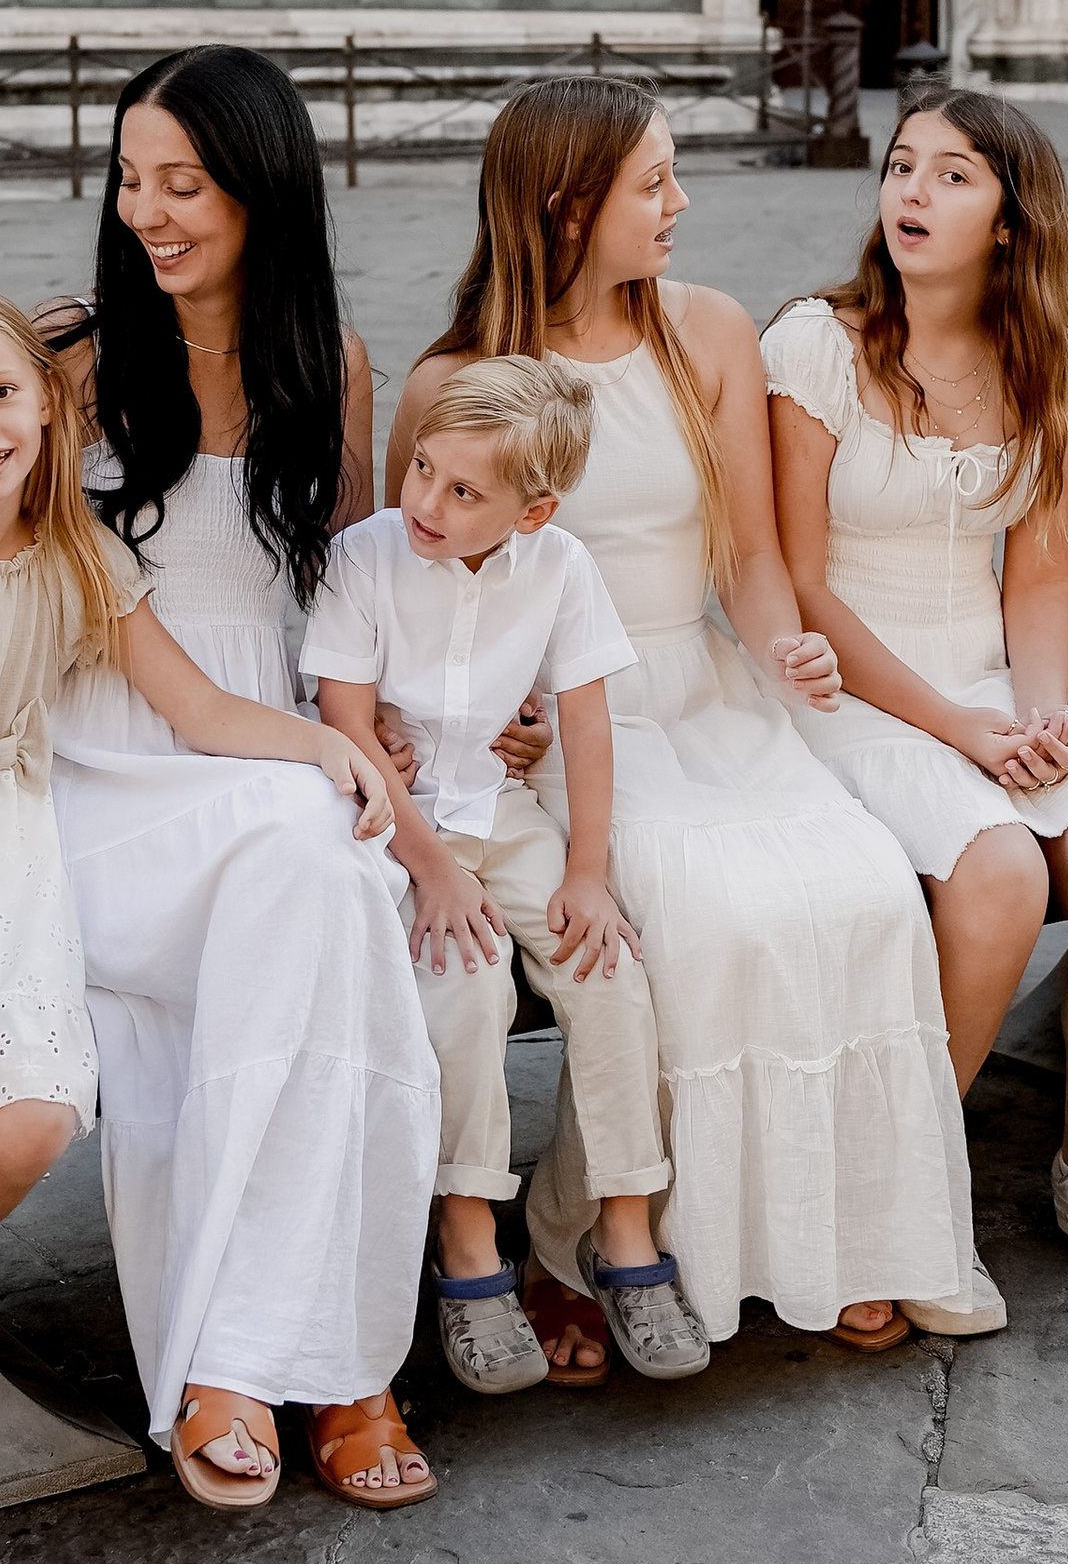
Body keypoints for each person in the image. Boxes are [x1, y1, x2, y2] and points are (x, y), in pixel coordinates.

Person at [0, 286, 397, 1555]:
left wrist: (331, 751)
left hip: (6, 849)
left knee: (33, 1124)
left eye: (3, 396)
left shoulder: (79, 558)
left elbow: (200, 712)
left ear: (49, 412)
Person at [391, 76, 978, 1367]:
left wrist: (784, 647)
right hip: (557, 728)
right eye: (653, 182)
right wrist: (488, 717)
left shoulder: (707, 332)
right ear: (566, 207)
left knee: (863, 887)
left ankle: (839, 1237)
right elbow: (414, 592)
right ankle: (588, 1240)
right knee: (695, 917)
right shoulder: (457, 379)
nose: (681, 203)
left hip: (707, 690)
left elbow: (751, 557)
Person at [44, 47, 445, 1511]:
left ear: (261, 189)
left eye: (183, 184)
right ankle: (337, 1368)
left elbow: (352, 589)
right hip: (110, 766)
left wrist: (411, 719)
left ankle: (266, 1354)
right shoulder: (73, 363)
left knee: (321, 875)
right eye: (131, 180)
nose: (148, 212)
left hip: (270, 748)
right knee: (316, 853)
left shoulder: (324, 362)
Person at [762, 97, 1068, 1302]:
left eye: (952, 177)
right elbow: (799, 585)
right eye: (902, 167)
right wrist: (958, 728)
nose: (910, 193)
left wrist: (1044, 712)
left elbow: (1043, 574)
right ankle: (906, 1190)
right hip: (844, 682)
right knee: (1001, 868)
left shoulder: (1049, 365)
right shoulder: (817, 344)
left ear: (1010, 222)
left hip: (995, 679)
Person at [303, 354, 706, 1395]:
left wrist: (586, 871)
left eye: (461, 490)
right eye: (423, 468)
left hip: (505, 809)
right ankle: (469, 1242)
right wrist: (431, 870)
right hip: (395, 825)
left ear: (531, 512)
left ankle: (622, 1233)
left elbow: (585, 722)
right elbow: (344, 720)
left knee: (609, 970)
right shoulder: (365, 557)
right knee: (468, 985)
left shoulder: (563, 567)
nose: (425, 500)